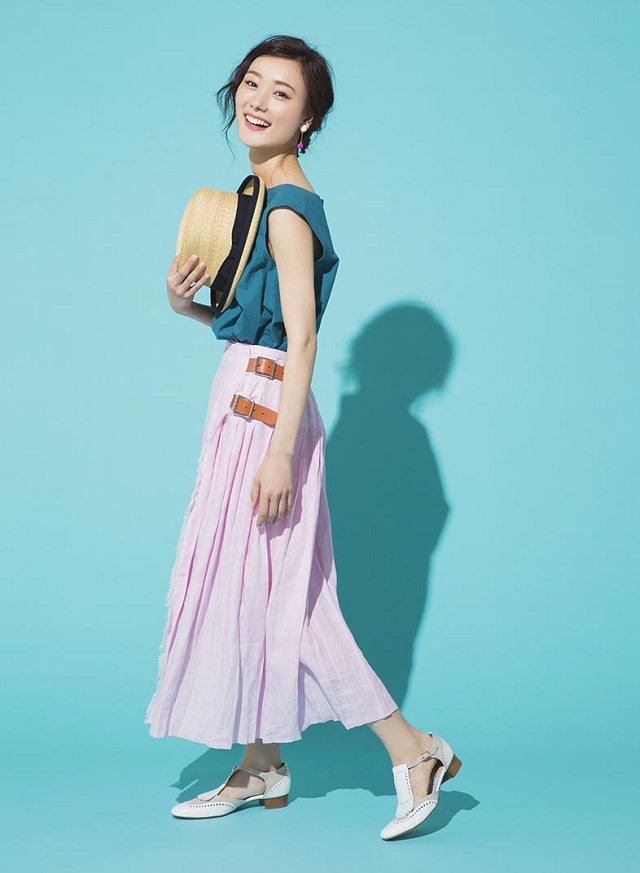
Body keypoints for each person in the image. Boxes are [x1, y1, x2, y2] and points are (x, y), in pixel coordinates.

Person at [144, 34, 461, 840]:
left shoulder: (287, 208)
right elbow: (255, 329)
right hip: (245, 398)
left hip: (265, 415)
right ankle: (262, 765)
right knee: (250, 590)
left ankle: (415, 750)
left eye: (282, 93)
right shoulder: (255, 194)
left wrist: (282, 451)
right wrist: (186, 306)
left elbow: (303, 340)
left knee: (292, 600)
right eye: (252, 83)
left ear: (309, 118)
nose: (258, 100)